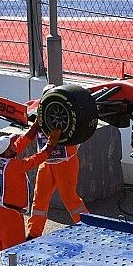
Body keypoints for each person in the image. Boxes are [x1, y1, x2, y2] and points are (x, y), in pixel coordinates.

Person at [0, 121, 61, 254]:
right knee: (16, 251)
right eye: (11, 145)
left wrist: (35, 127)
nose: (14, 145)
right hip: (9, 214)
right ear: (8, 151)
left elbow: (21, 143)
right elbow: (35, 160)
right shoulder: (13, 166)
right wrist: (50, 145)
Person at [27, 85, 88, 241]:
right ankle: (33, 234)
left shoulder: (68, 113)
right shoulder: (38, 111)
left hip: (65, 163)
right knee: (39, 200)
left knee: (70, 199)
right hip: (46, 163)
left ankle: (88, 229)